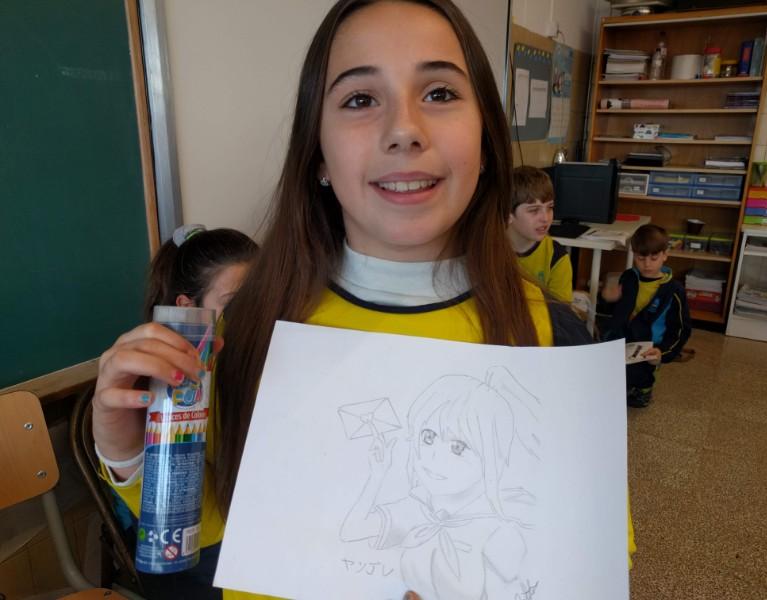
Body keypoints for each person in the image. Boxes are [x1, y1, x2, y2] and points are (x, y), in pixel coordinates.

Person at [90, 2, 625, 599]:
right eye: (360, 99)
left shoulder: (555, 342)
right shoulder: (250, 325)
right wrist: (131, 454)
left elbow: (582, 572)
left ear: (486, 139)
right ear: (318, 153)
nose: (404, 129)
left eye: (440, 93)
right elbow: (219, 534)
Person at [111, 224, 257, 599]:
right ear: (187, 308)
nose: (256, 315)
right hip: (198, 549)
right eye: (236, 304)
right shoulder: (171, 386)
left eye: (264, 298)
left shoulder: (263, 357)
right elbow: (197, 526)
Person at [341, 367, 541, 599]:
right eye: (428, 437)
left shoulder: (496, 531)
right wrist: (377, 475)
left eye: (458, 447)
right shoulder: (418, 509)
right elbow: (352, 530)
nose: (434, 458)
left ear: (491, 458)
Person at [600, 223, 691, 407]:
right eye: (641, 258)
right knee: (606, 371)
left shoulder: (674, 291)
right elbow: (614, 311)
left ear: (665, 254)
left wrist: (663, 352)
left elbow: (681, 328)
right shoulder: (629, 277)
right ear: (634, 255)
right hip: (622, 338)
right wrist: (607, 298)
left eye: (654, 258)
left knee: (640, 374)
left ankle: (643, 391)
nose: (647, 264)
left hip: (649, 345)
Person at [507, 165, 573, 303]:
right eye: (534, 210)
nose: (546, 218)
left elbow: (561, 312)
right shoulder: (488, 251)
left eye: (550, 207)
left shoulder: (556, 257)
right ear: (508, 215)